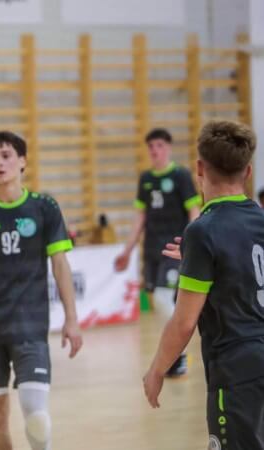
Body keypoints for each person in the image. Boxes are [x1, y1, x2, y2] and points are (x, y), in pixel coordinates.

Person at [0, 131, 83, 450]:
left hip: (30, 326)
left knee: (36, 414)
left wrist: (72, 319)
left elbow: (60, 265)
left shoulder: (44, 207)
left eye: (6, 155)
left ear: (22, 161)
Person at [143, 120, 263, 449]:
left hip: (237, 368)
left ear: (199, 168)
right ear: (248, 171)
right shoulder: (259, 219)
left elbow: (184, 322)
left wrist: (157, 370)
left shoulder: (203, 230)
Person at [114, 128, 201, 376]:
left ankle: (178, 354)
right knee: (160, 300)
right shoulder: (146, 179)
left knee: (164, 298)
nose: (155, 150)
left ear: (169, 148)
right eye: (151, 146)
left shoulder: (180, 175)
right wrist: (127, 250)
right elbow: (140, 217)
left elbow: (194, 211)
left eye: (160, 145)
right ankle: (175, 353)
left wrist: (193, 243)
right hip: (152, 250)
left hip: (175, 249)